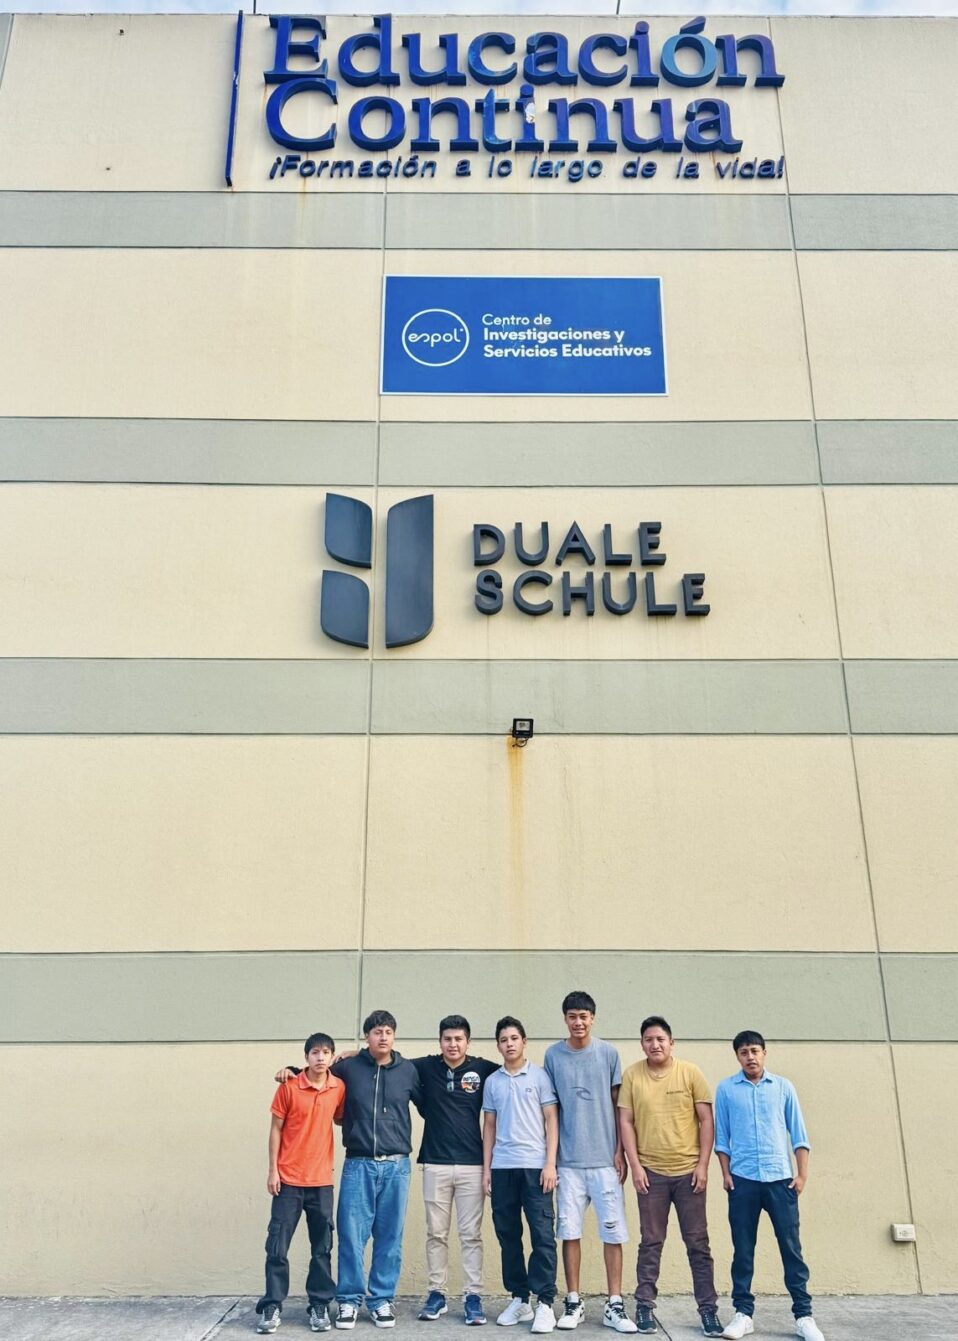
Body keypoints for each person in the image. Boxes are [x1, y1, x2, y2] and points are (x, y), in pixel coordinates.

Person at [276, 1009, 423, 1330]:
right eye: (376, 1032)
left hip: (397, 1166)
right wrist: (291, 1070)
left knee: (390, 1236)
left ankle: (381, 1299)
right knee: (351, 1235)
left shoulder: (408, 1070)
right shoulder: (348, 1068)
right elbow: (316, 1071)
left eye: (388, 1032)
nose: (383, 1037)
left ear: (394, 1036)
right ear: (366, 1037)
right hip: (359, 1164)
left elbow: (430, 1102)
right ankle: (348, 1299)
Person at [617, 1016, 723, 1339]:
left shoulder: (690, 1073)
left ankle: (708, 1310)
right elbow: (625, 1122)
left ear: (672, 1043)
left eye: (661, 1039)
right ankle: (644, 1306)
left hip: (689, 1173)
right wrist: (635, 1166)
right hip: (651, 1174)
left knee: (698, 1244)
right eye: (649, 1039)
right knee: (651, 1242)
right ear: (642, 1044)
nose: (655, 1044)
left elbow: (706, 1120)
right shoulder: (632, 1075)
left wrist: (703, 1165)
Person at [714, 1031, 824, 1341]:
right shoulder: (726, 1089)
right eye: (744, 1052)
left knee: (791, 1248)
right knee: (743, 1250)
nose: (750, 1057)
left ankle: (803, 1316)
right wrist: (726, 1174)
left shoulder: (783, 1087)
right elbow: (722, 1138)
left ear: (764, 1053)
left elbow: (799, 1135)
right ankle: (743, 1314)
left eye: (754, 1050)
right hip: (743, 1180)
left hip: (780, 1180)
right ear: (737, 1056)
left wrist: (801, 1176)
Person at [543, 991, 635, 1335]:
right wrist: (551, 1159)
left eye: (583, 1016)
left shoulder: (608, 1053)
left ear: (593, 1018)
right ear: (565, 1019)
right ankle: (573, 1301)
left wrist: (620, 1151)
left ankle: (614, 1303)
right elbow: (550, 1111)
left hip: (605, 1162)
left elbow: (618, 1106)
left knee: (613, 1232)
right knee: (569, 1232)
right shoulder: (553, 1056)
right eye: (572, 1016)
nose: (578, 1022)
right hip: (568, 1163)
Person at [256, 1031, 346, 1335]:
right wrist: (273, 1171)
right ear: (306, 1057)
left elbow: (340, 1118)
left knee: (322, 1248)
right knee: (277, 1247)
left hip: (321, 1182)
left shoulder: (338, 1088)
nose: (320, 1057)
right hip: (289, 1181)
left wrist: (352, 1054)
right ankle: (272, 1305)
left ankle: (319, 1305)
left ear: (332, 1056)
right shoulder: (289, 1087)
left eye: (326, 1052)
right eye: (315, 1052)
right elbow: (275, 1130)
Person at [412, 1015, 500, 1326]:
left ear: (468, 1042)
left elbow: (515, 1069)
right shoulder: (425, 1067)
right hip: (435, 1163)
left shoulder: (484, 1069)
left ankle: (473, 1296)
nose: (453, 1044)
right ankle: (436, 1293)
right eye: (447, 1039)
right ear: (440, 1041)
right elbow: (388, 1060)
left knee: (471, 1235)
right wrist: (353, 1053)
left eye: (458, 1039)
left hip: (472, 1165)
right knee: (436, 1234)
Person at [481, 1016, 560, 1334]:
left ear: (524, 1042)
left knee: (542, 1235)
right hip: (502, 1168)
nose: (509, 1044)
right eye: (503, 1040)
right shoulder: (493, 1082)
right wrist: (487, 1169)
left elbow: (551, 1120)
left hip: (536, 1167)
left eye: (514, 1038)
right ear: (498, 1046)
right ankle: (520, 1298)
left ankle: (545, 1302)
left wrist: (550, 1163)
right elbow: (489, 1126)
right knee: (508, 1235)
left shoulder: (539, 1076)